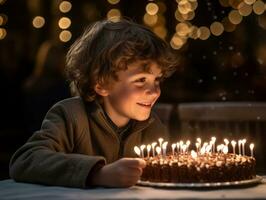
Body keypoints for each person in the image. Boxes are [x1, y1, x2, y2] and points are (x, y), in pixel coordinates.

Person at [9, 18, 177, 188]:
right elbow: (26, 160)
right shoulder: (72, 116)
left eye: (157, 80)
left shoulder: (152, 126)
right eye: (141, 80)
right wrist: (97, 174)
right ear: (102, 84)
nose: (155, 91)